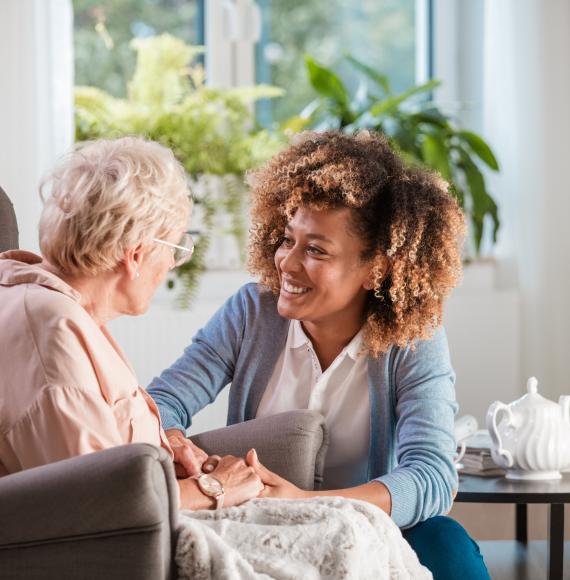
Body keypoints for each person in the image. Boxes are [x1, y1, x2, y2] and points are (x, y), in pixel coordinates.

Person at [148, 130, 491, 579]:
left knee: (446, 543)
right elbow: (162, 402)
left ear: (376, 269)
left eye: (315, 250)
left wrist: (306, 503)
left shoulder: (413, 341)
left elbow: (431, 477)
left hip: (369, 528)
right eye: (288, 239)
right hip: (262, 525)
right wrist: (175, 442)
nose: (287, 263)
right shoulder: (252, 313)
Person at [0, 136, 263, 510]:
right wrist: (214, 488)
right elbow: (97, 504)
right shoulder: (54, 332)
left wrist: (160, 450)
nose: (172, 264)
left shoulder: (33, 292)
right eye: (175, 249)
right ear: (136, 255)